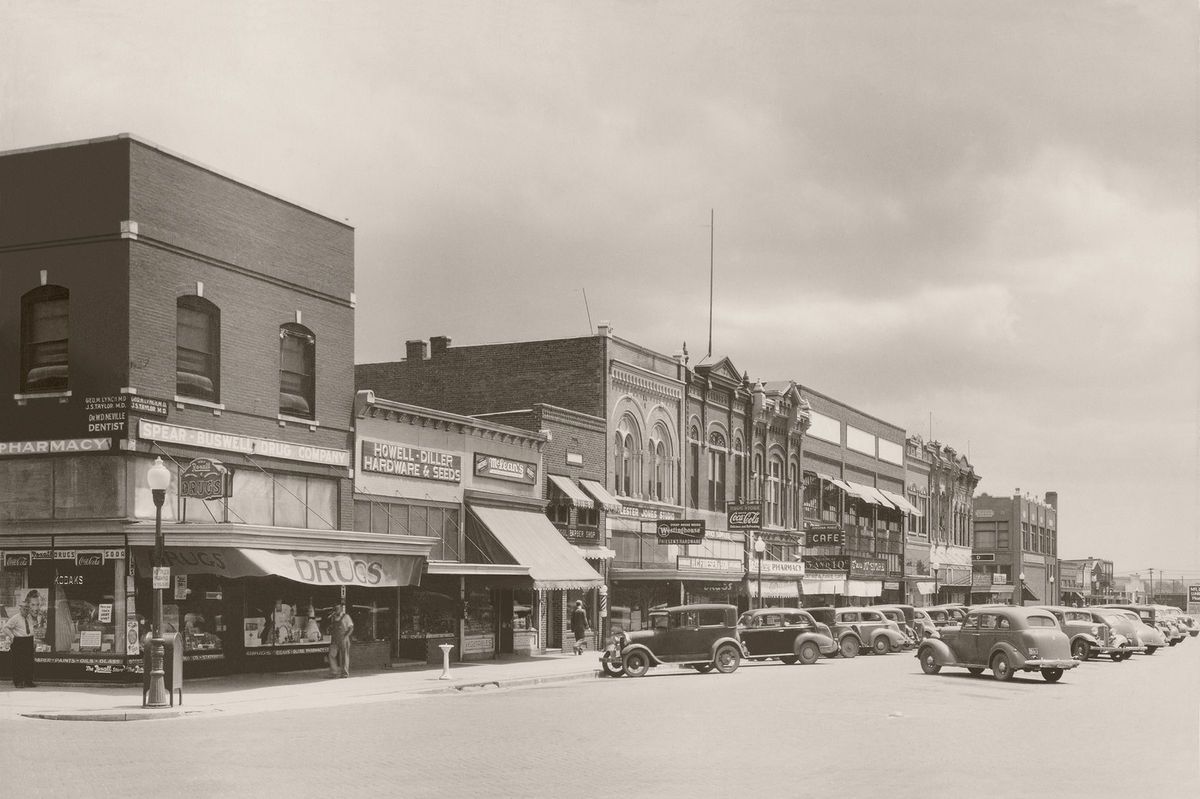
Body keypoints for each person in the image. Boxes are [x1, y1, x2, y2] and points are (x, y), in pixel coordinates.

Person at [4, 590, 39, 687]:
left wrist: (34, 640)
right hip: (19, 641)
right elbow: (5, 628)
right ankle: (18, 682)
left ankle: (28, 681)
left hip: (28, 641)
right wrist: (12, 637)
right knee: (18, 663)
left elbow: (31, 629)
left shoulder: (29, 617)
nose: (26, 611)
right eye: (24, 609)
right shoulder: (15, 618)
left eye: (27, 609)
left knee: (29, 662)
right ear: (20, 609)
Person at [327, 599, 354, 678]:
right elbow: (332, 627)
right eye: (335, 608)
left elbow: (351, 628)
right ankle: (334, 672)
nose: (336, 610)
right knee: (331, 655)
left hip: (344, 639)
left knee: (344, 656)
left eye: (338, 608)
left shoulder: (346, 617)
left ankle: (345, 673)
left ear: (341, 608)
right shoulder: (333, 617)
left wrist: (346, 636)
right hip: (334, 640)